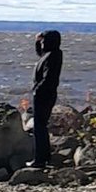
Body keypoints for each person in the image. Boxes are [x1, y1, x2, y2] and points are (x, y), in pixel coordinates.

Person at [28, 30, 63, 169]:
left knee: (40, 127)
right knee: (40, 126)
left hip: (44, 95)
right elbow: (40, 53)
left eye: (43, 41)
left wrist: (37, 90)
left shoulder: (54, 55)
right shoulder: (49, 54)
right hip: (44, 94)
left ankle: (40, 160)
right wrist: (37, 41)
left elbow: (49, 78)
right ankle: (44, 158)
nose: (41, 44)